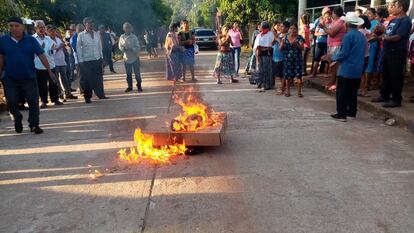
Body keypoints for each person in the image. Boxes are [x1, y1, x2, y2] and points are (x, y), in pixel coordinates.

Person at [0, 17, 56, 134]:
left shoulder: (31, 40)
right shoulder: (3, 40)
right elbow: (0, 58)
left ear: (23, 27)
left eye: (17, 25)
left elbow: (41, 55)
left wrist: (49, 71)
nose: (14, 28)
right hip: (10, 78)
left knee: (33, 101)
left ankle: (34, 124)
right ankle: (17, 118)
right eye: (11, 26)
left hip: (29, 77)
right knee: (11, 101)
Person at [372, 0, 412, 108]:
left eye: (394, 6)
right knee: (386, 75)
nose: (391, 7)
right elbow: (387, 32)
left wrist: (382, 38)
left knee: (396, 76)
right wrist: (380, 30)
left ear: (401, 8)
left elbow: (397, 37)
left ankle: (396, 99)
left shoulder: (405, 21)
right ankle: (384, 95)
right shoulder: (393, 20)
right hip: (387, 51)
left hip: (397, 52)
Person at [330, 12, 367, 122]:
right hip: (357, 68)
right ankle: (351, 112)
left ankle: (341, 114)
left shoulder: (348, 36)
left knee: (341, 92)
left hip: (347, 69)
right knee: (352, 92)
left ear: (347, 24)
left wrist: (334, 58)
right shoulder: (362, 36)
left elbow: (344, 53)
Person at [77, 17, 107, 103]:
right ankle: (87, 97)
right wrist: (81, 61)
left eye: (92, 23)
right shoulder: (81, 35)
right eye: (89, 23)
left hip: (96, 59)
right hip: (87, 61)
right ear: (85, 24)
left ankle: (101, 94)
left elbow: (99, 47)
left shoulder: (97, 34)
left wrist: (101, 58)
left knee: (98, 78)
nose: (91, 25)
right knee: (87, 80)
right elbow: (78, 49)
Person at [33, 20, 63, 108]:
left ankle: (56, 99)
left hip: (51, 64)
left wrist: (54, 48)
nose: (42, 29)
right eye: (40, 27)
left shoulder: (48, 38)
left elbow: (53, 49)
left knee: (53, 83)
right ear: (36, 28)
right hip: (39, 65)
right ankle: (43, 101)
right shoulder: (32, 39)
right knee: (42, 84)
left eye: (43, 27)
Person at [320, 6, 346, 91]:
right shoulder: (336, 21)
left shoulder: (339, 22)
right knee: (333, 65)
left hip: (336, 46)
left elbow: (332, 33)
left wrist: (323, 27)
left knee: (336, 66)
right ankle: (332, 81)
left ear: (335, 14)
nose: (331, 15)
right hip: (333, 45)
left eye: (332, 13)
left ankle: (336, 83)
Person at [49, 25, 77, 101]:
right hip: (54, 62)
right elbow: (51, 52)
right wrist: (59, 47)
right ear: (48, 32)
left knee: (64, 77)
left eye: (54, 30)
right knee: (57, 79)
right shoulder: (48, 40)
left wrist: (63, 46)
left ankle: (68, 93)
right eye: (51, 31)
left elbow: (64, 47)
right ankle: (60, 94)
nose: (53, 32)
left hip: (62, 61)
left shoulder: (58, 39)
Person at [280, 23, 305, 97]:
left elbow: (302, 48)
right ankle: (288, 91)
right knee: (287, 76)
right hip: (287, 60)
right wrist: (282, 44)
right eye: (291, 28)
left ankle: (299, 92)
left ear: (297, 30)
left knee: (298, 76)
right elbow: (280, 49)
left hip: (297, 60)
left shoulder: (300, 38)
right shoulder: (284, 38)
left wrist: (296, 45)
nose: (292, 30)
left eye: (294, 28)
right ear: (288, 29)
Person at [118, 22, 143, 92]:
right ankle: (130, 86)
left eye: (128, 28)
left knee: (137, 74)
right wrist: (123, 49)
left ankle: (139, 86)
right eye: (126, 28)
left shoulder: (134, 37)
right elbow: (120, 46)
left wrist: (132, 49)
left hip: (135, 58)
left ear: (131, 29)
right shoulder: (121, 37)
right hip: (126, 58)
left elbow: (138, 47)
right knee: (128, 74)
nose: (127, 29)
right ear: (123, 29)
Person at [362, 8, 381, 97]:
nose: (368, 15)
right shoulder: (365, 23)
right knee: (365, 64)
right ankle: (363, 85)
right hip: (365, 45)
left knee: (369, 64)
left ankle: (366, 86)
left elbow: (372, 35)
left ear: (374, 14)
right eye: (366, 13)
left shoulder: (376, 23)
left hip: (372, 45)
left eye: (369, 13)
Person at [253, 21, 274, 92]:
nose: (260, 27)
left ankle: (268, 84)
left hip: (267, 55)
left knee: (267, 69)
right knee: (260, 69)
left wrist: (265, 48)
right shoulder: (259, 35)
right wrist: (257, 56)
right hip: (260, 54)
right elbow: (256, 46)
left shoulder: (270, 34)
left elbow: (271, 45)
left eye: (261, 26)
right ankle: (260, 83)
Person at [312, 7, 331, 77]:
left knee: (327, 59)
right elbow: (315, 33)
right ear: (323, 16)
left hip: (328, 43)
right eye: (326, 16)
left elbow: (332, 33)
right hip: (319, 42)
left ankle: (326, 74)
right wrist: (324, 33)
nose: (327, 18)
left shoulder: (331, 24)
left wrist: (327, 32)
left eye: (329, 16)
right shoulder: (320, 23)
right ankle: (314, 73)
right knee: (316, 58)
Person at [358, 15, 372, 97]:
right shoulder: (367, 31)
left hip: (360, 56)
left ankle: (363, 90)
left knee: (360, 74)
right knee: (362, 74)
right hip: (366, 55)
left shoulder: (359, 32)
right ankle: (363, 90)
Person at [272, 22, 285, 95]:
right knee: (279, 74)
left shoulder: (285, 35)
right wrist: (275, 37)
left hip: (282, 56)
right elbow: (272, 43)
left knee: (282, 74)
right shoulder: (278, 34)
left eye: (281, 26)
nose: (279, 27)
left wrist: (277, 38)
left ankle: (283, 88)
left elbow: (282, 45)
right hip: (276, 55)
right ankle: (282, 86)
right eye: (279, 26)